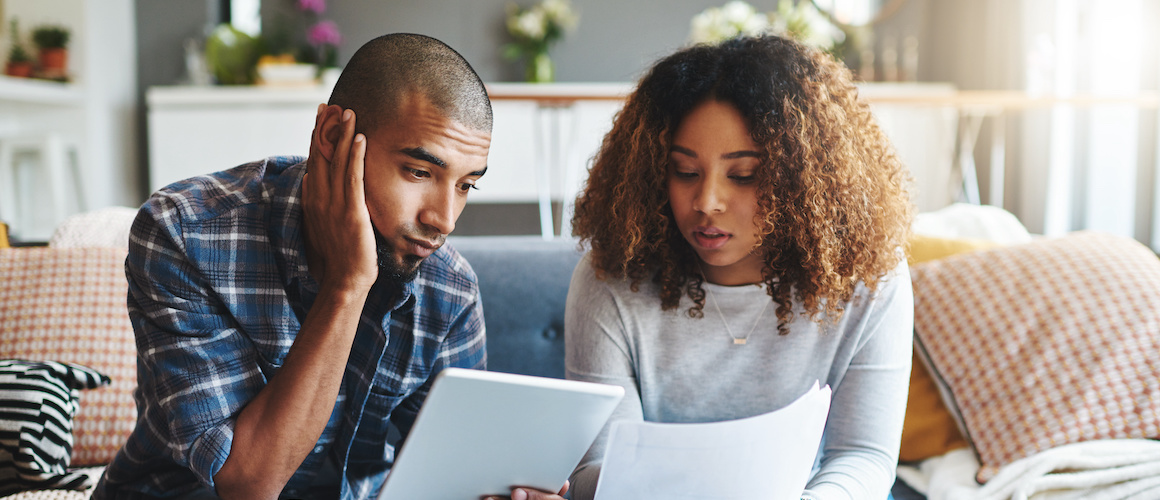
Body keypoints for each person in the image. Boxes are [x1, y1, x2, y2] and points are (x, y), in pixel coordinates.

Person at [93, 34, 567, 500]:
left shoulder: (450, 287)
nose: (442, 219)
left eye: (466, 185)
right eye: (419, 173)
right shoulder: (184, 233)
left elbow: (458, 467)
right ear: (332, 136)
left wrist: (504, 489)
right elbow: (248, 483)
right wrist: (348, 284)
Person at [564, 35, 914, 500]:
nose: (707, 202)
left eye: (744, 176)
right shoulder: (611, 277)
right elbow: (598, 468)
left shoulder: (870, 277)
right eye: (685, 171)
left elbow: (864, 457)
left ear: (801, 181)